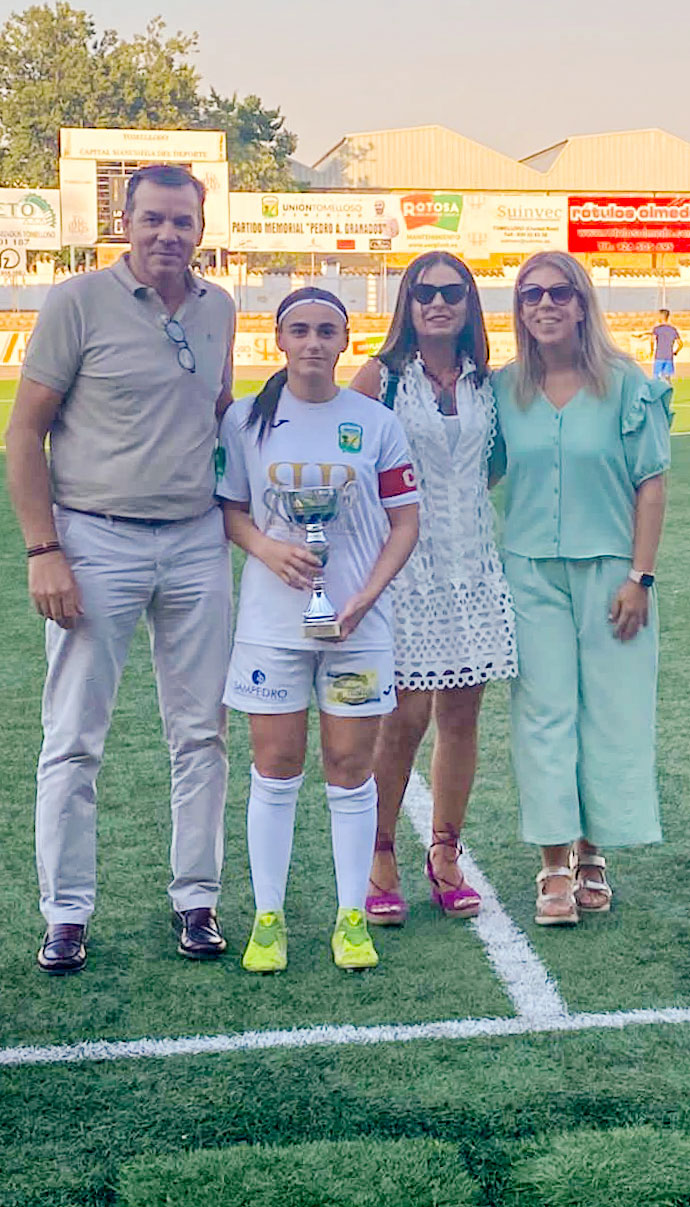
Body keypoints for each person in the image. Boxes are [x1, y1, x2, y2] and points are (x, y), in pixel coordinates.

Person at [4, 163, 237, 975]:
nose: (168, 234)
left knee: (202, 732)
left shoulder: (221, 310)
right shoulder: (77, 302)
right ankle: (66, 912)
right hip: (95, 538)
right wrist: (46, 549)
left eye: (182, 221)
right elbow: (23, 433)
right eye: (153, 220)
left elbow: (218, 415)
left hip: (194, 539)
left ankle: (196, 899)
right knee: (74, 738)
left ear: (201, 228)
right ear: (125, 223)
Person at [217, 288, 421, 973]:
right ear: (277, 338)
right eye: (298, 329)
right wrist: (269, 551)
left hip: (357, 629)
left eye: (325, 331)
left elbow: (405, 522)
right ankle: (268, 917)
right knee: (274, 767)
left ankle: (349, 916)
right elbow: (232, 511)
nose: (311, 342)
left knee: (349, 768)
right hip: (272, 627)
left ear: (344, 341)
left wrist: (363, 598)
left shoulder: (375, 421)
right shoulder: (247, 419)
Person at [492, 251, 671, 926]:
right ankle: (554, 863)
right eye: (532, 294)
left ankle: (595, 850)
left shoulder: (627, 385)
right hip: (529, 572)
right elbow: (480, 470)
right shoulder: (503, 389)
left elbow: (650, 481)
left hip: (612, 573)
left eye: (559, 293)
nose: (545, 304)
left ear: (581, 303)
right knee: (543, 716)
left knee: (611, 712)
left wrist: (639, 575)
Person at [349, 253, 516, 927]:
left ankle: (445, 852)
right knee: (404, 719)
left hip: (473, 569)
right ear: (408, 304)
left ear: (470, 303)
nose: (439, 303)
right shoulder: (382, 378)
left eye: (452, 292)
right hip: (407, 573)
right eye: (425, 293)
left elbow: (493, 466)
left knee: (462, 719)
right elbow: (348, 458)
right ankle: (380, 850)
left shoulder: (489, 384)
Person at [650, 310, 682, 381]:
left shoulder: (657, 329)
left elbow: (652, 340)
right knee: (667, 378)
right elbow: (680, 344)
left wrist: (652, 350)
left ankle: (657, 391)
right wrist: (676, 351)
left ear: (661, 317)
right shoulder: (673, 330)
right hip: (669, 356)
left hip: (659, 356)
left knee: (656, 377)